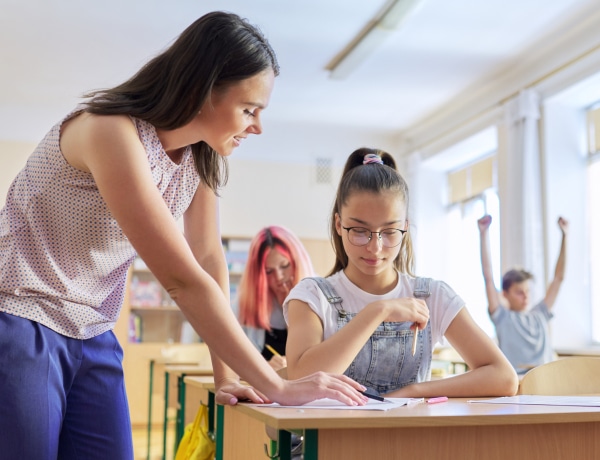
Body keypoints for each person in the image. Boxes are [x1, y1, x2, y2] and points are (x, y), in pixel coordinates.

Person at [0, 11, 367, 460]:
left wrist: (227, 378)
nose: (257, 126)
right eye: (249, 109)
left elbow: (209, 261)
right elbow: (181, 279)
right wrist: (277, 385)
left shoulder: (199, 161)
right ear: (203, 89)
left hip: (93, 329)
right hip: (23, 318)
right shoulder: (109, 132)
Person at [284, 148, 519, 399]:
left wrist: (415, 391)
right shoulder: (311, 296)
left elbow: (503, 377)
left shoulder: (432, 295)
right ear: (339, 224)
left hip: (411, 437)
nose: (375, 247)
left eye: (389, 232)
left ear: (405, 227)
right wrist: (378, 312)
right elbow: (301, 378)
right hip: (332, 437)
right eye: (360, 230)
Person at [477, 214, 568, 374]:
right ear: (505, 294)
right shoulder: (503, 317)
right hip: (518, 383)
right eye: (519, 292)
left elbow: (558, 278)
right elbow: (488, 278)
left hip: (546, 381)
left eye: (527, 291)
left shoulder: (540, 314)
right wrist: (484, 234)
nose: (525, 296)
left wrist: (564, 236)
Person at [237, 225, 315, 370]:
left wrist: (292, 311)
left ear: (298, 263)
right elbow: (234, 361)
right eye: (268, 271)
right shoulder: (245, 305)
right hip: (262, 387)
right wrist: (265, 367)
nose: (279, 277)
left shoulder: (318, 298)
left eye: (285, 266)